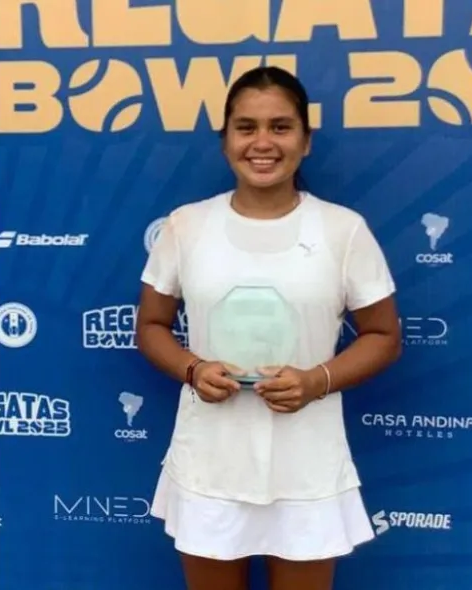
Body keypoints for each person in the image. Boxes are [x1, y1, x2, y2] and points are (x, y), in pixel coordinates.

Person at [134, 66, 402, 590]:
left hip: (306, 466)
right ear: (225, 140)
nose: (262, 143)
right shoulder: (186, 225)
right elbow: (151, 325)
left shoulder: (343, 229)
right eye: (246, 127)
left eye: (280, 127)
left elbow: (384, 336)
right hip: (210, 462)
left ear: (306, 140)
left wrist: (316, 381)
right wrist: (192, 369)